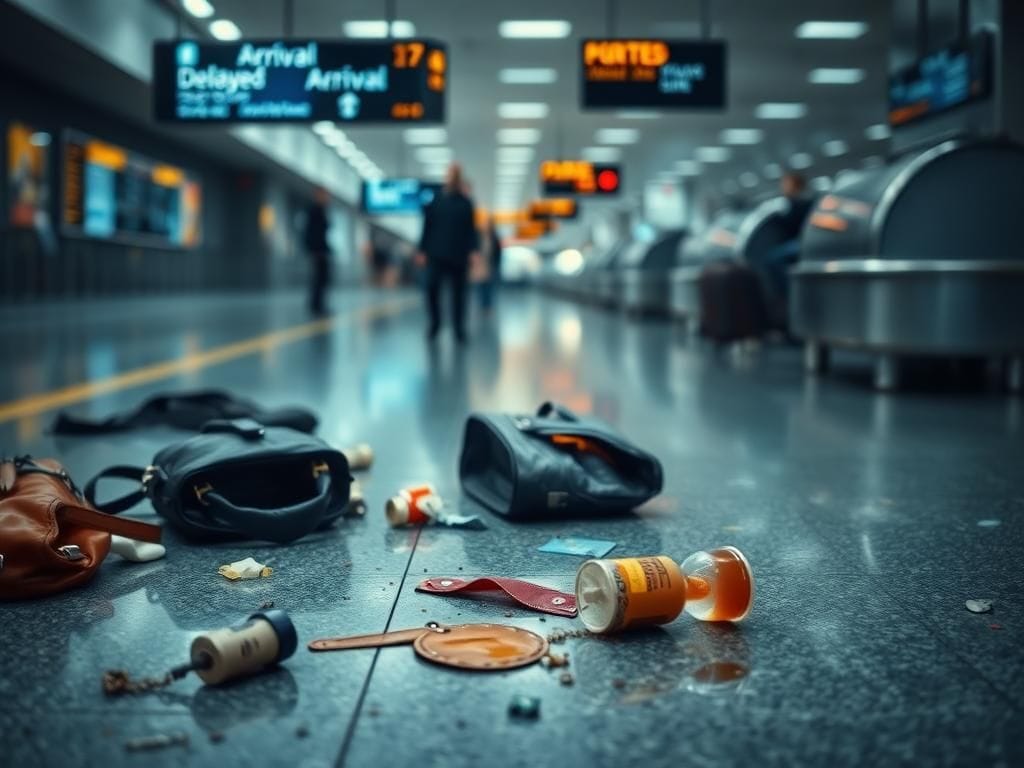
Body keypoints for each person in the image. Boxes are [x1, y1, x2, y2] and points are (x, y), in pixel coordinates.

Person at [416, 163, 479, 342]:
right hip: (436, 254)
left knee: (459, 294)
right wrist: (422, 250)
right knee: (432, 289)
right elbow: (427, 227)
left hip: (459, 255)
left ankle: (459, 329)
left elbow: (471, 230)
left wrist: (474, 250)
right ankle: (435, 324)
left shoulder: (466, 203)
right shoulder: (436, 200)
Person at [763, 172, 814, 325]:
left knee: (774, 259)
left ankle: (788, 288)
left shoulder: (802, 202)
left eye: (786, 183)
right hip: (797, 242)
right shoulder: (790, 203)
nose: (783, 187)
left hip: (803, 242)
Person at [303, 186, 331, 316]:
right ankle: (316, 305)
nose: (326, 198)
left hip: (321, 249)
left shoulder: (322, 210)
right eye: (324, 195)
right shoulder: (314, 210)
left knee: (322, 278)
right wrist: (313, 249)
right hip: (318, 250)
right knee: (319, 278)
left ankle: (318, 304)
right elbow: (311, 232)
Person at [476, 221, 503, 314]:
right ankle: (482, 305)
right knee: (481, 287)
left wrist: (497, 264)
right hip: (480, 266)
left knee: (489, 287)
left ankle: (487, 306)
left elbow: (498, 253)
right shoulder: (478, 238)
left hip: (491, 265)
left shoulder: (494, 238)